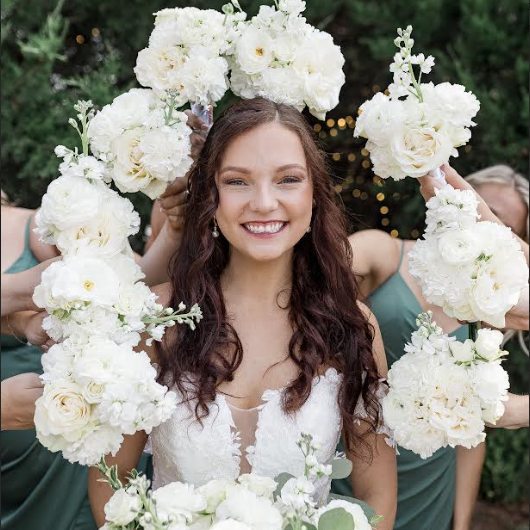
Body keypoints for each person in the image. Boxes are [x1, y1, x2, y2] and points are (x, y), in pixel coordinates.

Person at [88, 98, 398, 529]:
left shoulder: (351, 327)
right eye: (238, 182)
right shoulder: (157, 319)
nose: (264, 202)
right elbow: (110, 481)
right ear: (211, 194)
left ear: (314, 194)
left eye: (288, 179)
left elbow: (376, 497)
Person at [332, 165, 529, 530]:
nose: (484, 226)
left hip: (429, 483)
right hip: (350, 455)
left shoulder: (492, 315)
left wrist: (462, 523)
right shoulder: (387, 255)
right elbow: (310, 273)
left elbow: (472, 434)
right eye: (480, 208)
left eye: (504, 226)